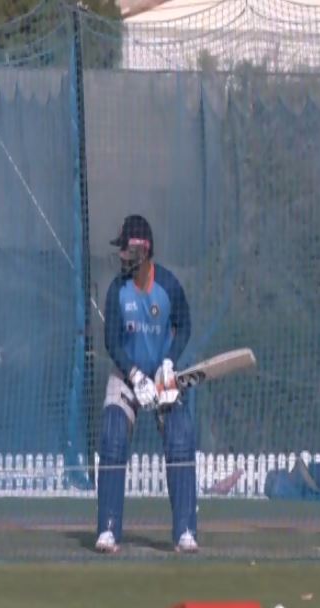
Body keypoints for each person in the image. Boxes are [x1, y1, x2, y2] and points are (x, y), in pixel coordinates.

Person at [95, 214, 198, 554]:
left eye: (126, 251)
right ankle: (108, 529)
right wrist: (135, 374)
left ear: (142, 250)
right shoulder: (117, 290)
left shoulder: (168, 286)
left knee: (180, 436)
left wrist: (169, 363)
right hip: (128, 375)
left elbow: (184, 326)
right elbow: (112, 340)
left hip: (162, 376)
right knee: (113, 435)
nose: (121, 257)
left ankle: (185, 531)